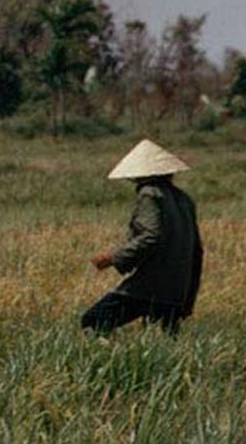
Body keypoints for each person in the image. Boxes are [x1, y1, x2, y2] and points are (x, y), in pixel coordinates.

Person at [82, 139, 202, 335]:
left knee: (93, 322)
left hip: (150, 286)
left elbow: (150, 237)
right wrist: (188, 296)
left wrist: (113, 258)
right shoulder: (183, 199)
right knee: (163, 340)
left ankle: (114, 362)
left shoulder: (150, 194)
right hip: (177, 288)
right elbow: (196, 251)